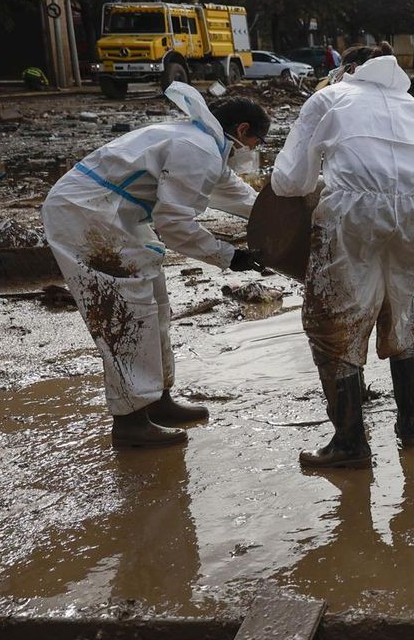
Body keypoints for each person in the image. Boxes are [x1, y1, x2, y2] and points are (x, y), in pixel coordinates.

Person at [42, 83, 268, 448]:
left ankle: (158, 401)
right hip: (86, 213)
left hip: (115, 214)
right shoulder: (197, 149)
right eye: (257, 142)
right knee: (126, 314)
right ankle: (130, 421)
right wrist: (230, 256)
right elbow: (174, 225)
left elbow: (240, 196)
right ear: (243, 131)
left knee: (157, 305)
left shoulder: (205, 145)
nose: (254, 151)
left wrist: (278, 218)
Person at [272, 43, 414, 469]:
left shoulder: (329, 97)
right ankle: (410, 428)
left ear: (349, 68)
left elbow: (289, 182)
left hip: (353, 212)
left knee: (332, 322)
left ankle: (350, 443)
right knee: (403, 314)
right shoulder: (411, 105)